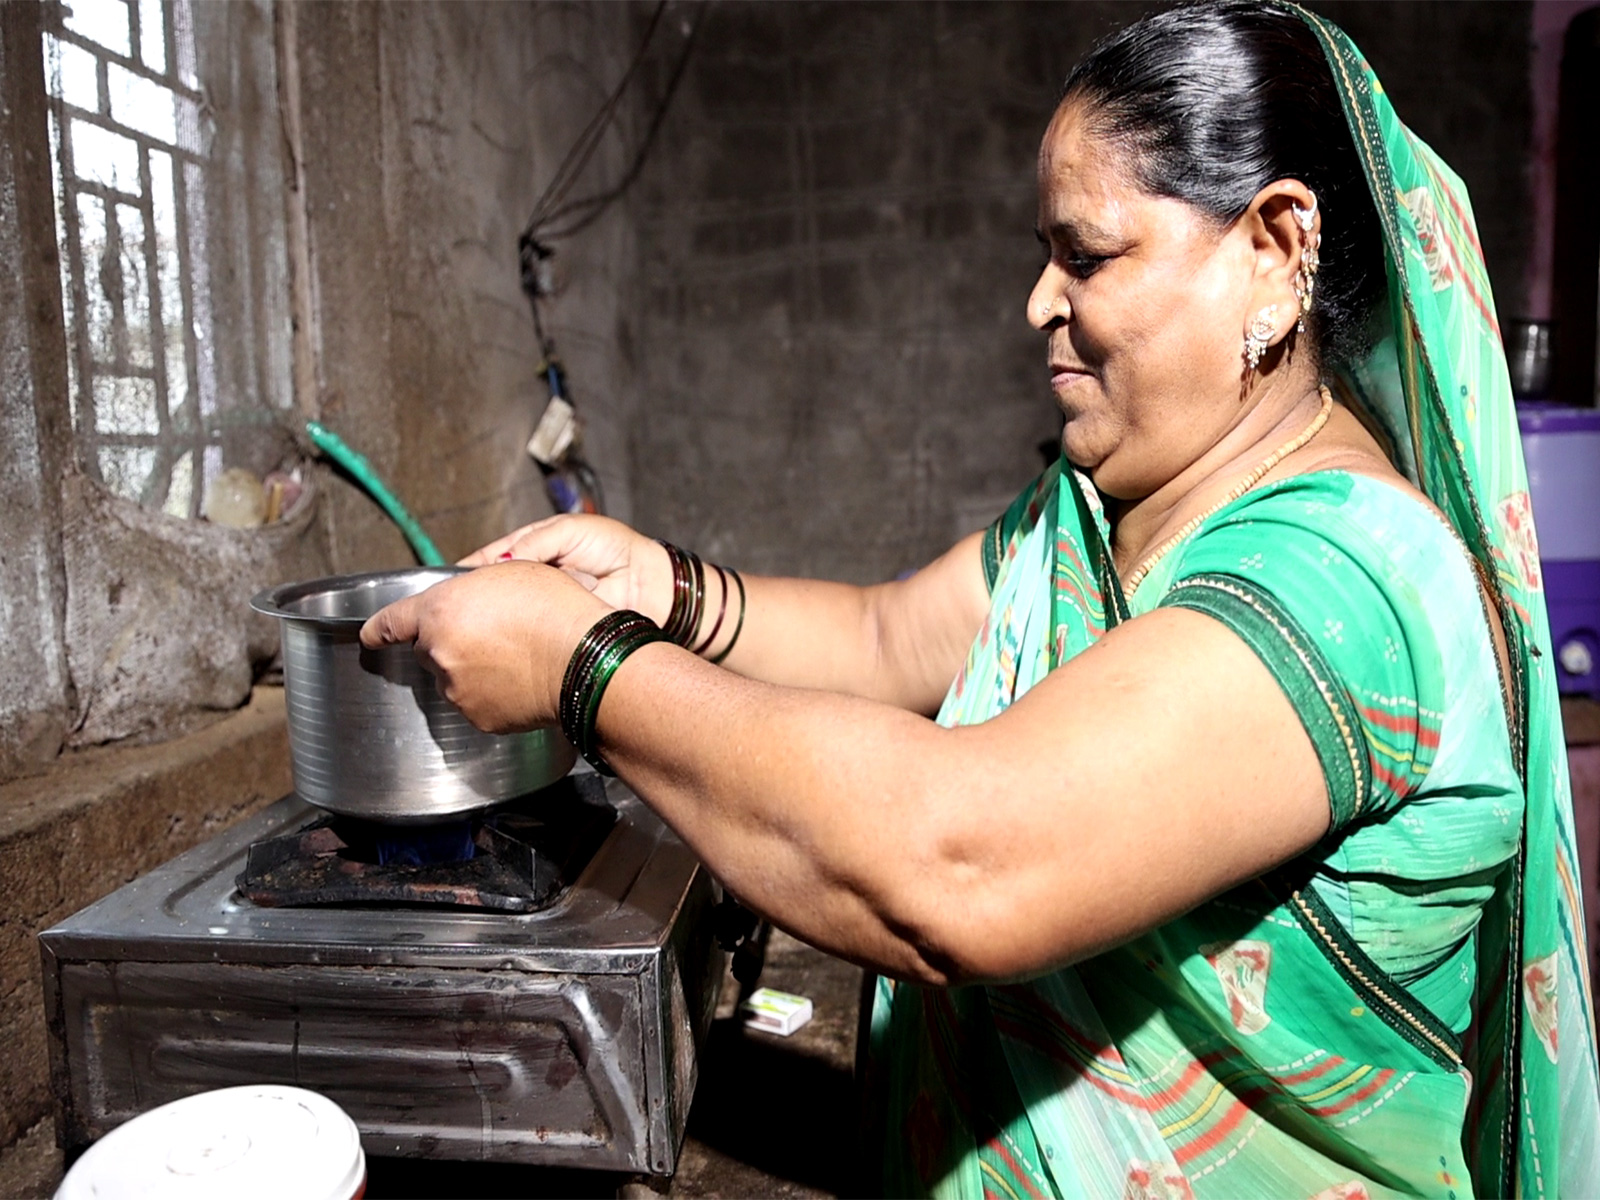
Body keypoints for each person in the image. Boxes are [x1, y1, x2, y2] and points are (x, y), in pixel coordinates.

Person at [361, 3, 1600, 1194]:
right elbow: (890, 635)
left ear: (1272, 256)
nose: (1038, 303)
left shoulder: (1349, 583)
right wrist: (668, 590)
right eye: (1042, 254)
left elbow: (959, 864)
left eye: (1087, 255)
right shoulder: (1102, 507)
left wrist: (587, 670)